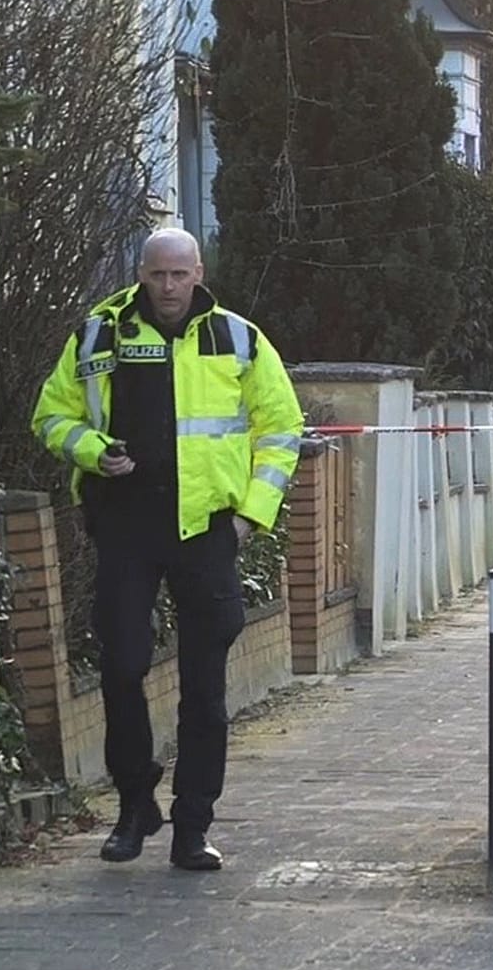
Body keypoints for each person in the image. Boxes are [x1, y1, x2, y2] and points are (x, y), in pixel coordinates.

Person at [30, 228, 304, 871]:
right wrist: (95, 453)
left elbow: (282, 427)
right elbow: (49, 418)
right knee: (123, 667)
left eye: (181, 275)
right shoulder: (99, 333)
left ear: (199, 273)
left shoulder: (237, 337)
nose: (170, 287)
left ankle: (192, 826)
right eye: (158, 275)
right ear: (142, 274)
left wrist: (250, 517)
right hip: (125, 525)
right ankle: (134, 807)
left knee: (204, 690)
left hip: (206, 528)